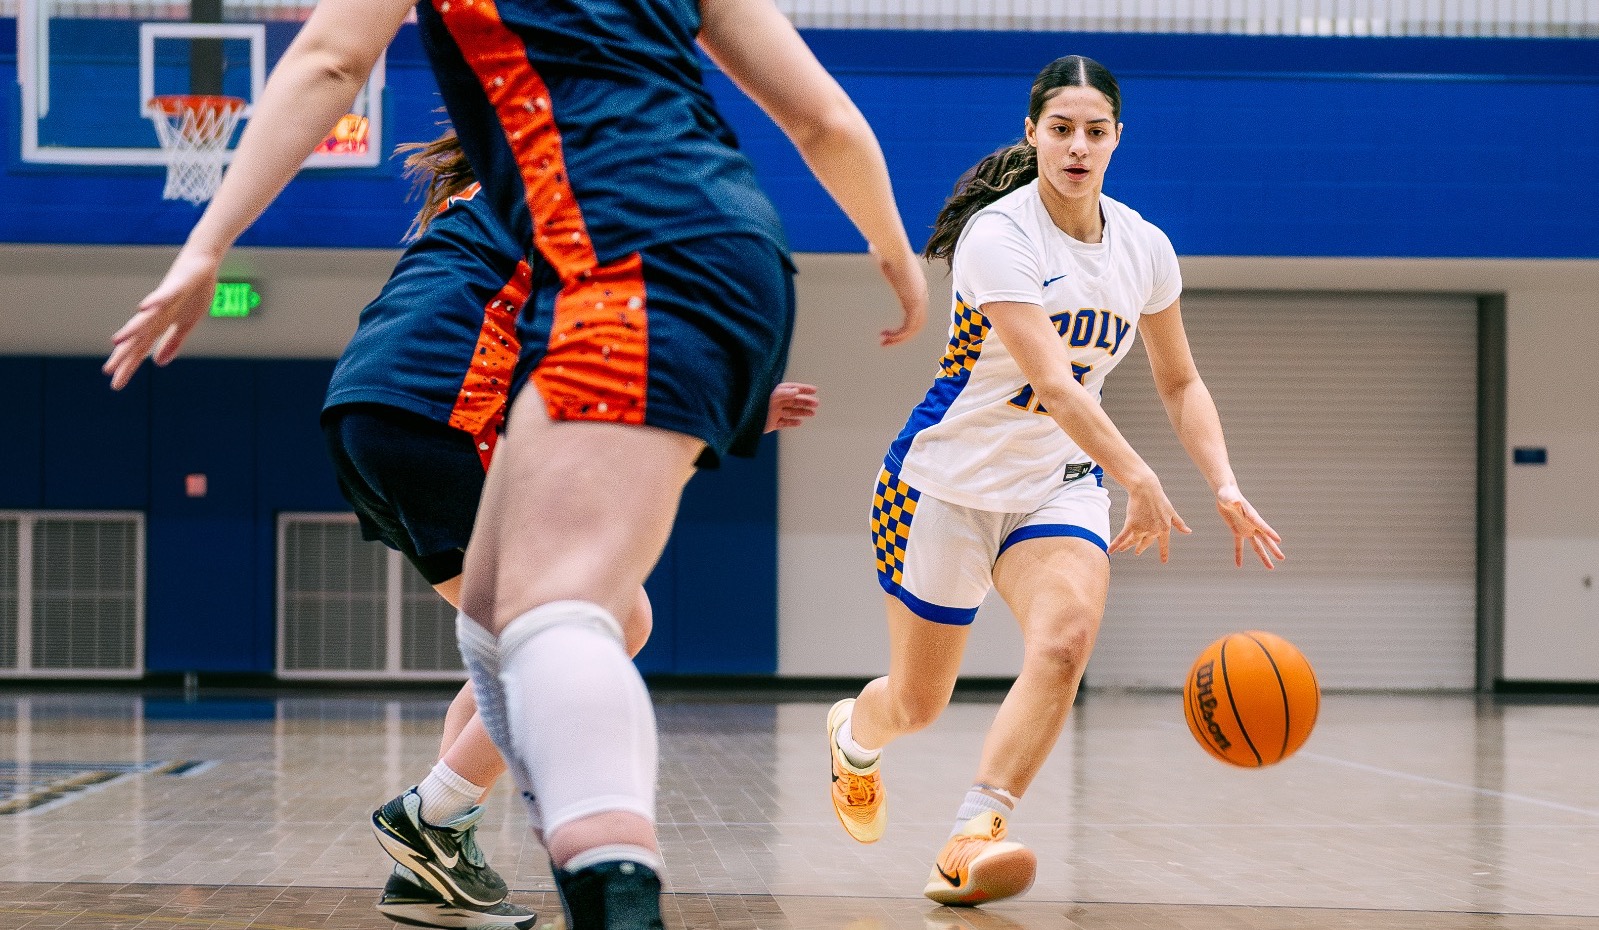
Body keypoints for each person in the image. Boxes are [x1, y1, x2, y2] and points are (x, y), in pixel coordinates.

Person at [103, 0, 927, 927]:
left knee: (566, 615)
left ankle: (558, 872)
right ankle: (441, 833)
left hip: (619, 269)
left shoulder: (495, 196)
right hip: (705, 252)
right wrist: (892, 248)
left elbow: (331, 61)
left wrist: (206, 245)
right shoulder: (510, 211)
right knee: (526, 621)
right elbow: (823, 118)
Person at [323, 132, 819, 929]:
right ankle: (433, 813)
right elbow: (624, 351)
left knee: (503, 645)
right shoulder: (572, 198)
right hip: (442, 411)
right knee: (618, 619)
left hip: (370, 415)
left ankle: (433, 871)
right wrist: (736, 409)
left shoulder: (501, 188)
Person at [825, 55, 1285, 907]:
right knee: (917, 705)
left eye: (1095, 131)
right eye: (1061, 129)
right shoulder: (997, 235)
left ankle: (971, 834)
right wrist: (1139, 473)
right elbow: (1056, 384)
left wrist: (1220, 481)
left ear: (1117, 139)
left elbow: (1179, 381)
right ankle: (854, 741)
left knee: (1065, 640)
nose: (1077, 146)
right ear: (1032, 132)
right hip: (940, 485)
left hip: (1055, 481)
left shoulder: (1142, 246)